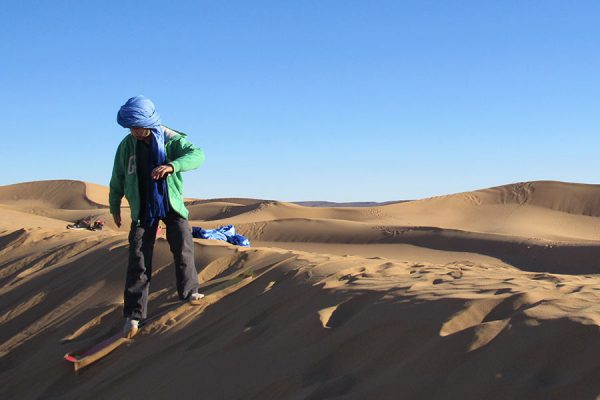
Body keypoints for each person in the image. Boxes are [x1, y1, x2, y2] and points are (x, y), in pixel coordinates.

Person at [109, 95, 205, 338]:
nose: (133, 131)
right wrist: (114, 205)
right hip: (143, 210)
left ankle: (190, 292)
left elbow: (198, 155)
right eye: (130, 127)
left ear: (148, 121)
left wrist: (173, 166)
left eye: (136, 126)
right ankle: (133, 314)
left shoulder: (171, 139)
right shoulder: (127, 145)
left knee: (183, 247)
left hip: (170, 205)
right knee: (138, 258)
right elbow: (118, 176)